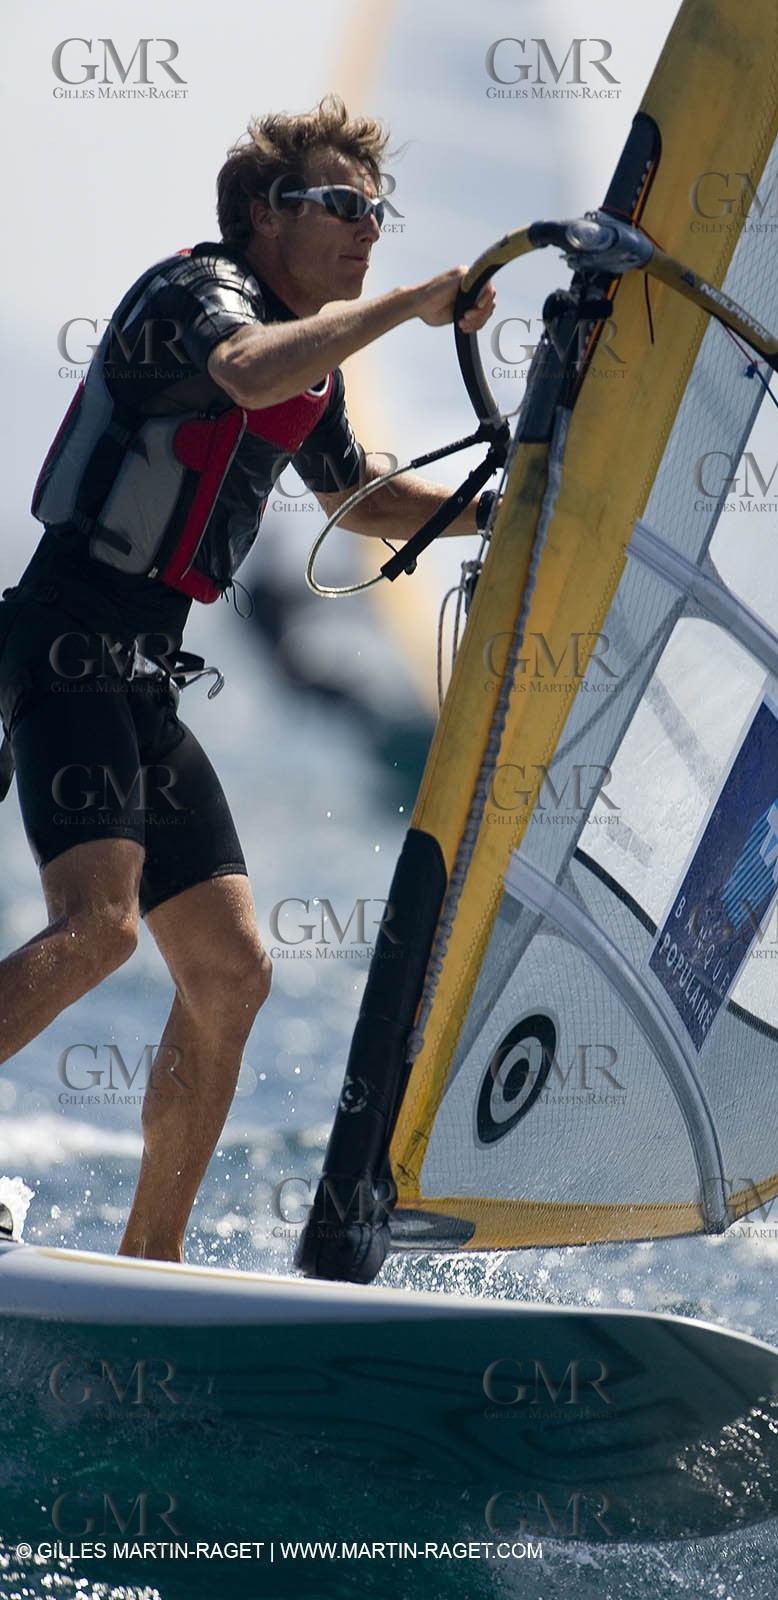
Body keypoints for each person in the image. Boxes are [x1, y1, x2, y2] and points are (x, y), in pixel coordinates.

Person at [0, 95, 494, 1263]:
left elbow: (362, 501)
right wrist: (406, 306)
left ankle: (148, 1264)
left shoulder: (305, 366)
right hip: (66, 637)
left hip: (142, 676)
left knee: (230, 973)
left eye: (377, 212)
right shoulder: (199, 303)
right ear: (262, 218)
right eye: (338, 206)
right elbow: (241, 371)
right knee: (99, 931)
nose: (365, 227)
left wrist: (513, 512)